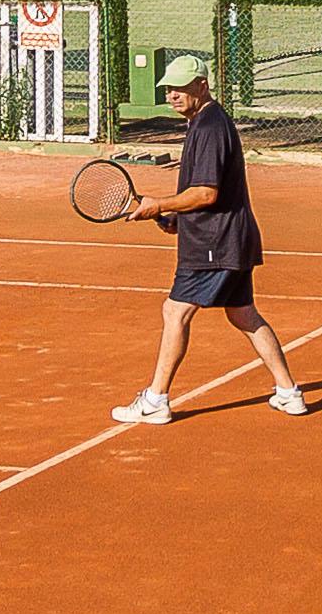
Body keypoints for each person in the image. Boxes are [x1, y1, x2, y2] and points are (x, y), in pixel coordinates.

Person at [111, 53, 309, 425]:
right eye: (168, 88)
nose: (172, 94)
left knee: (175, 311)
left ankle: (155, 400)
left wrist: (157, 206)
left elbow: (206, 193)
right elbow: (203, 197)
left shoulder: (209, 127)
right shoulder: (205, 123)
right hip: (226, 238)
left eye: (181, 87)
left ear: (202, 85)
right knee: (243, 314)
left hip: (215, 244)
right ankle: (288, 392)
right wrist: (176, 219)